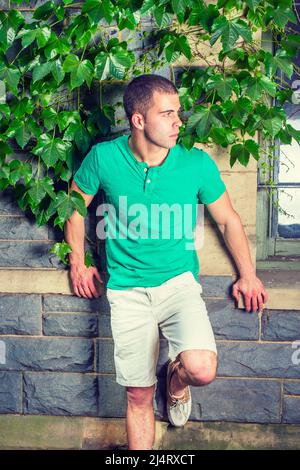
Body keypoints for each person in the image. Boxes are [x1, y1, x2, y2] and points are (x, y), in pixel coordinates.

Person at [64, 74, 268, 450]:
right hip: (127, 291)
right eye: (168, 113)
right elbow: (75, 208)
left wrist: (249, 275)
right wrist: (79, 262)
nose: (179, 122)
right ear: (138, 120)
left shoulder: (194, 162)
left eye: (179, 112)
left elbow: (227, 219)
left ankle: (175, 381)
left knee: (201, 369)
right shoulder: (104, 157)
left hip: (179, 285)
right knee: (138, 395)